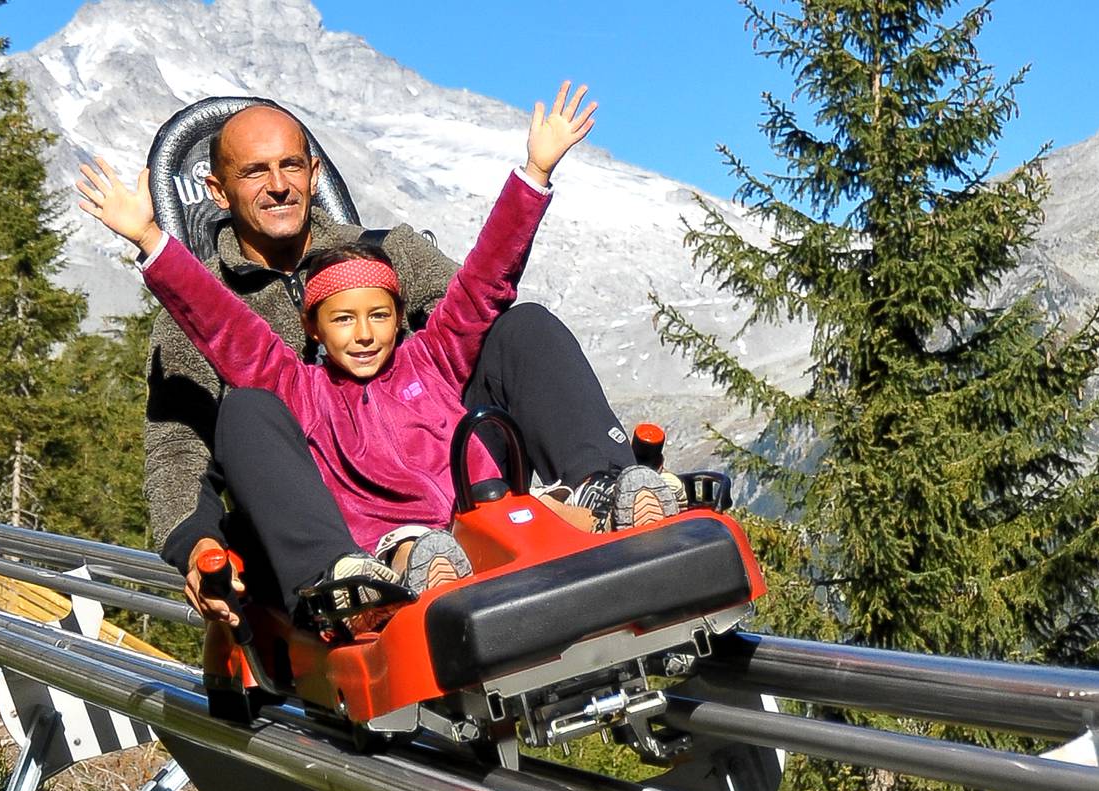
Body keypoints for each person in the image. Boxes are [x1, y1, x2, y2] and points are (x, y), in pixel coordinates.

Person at [112, 87, 677, 626]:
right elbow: (178, 439)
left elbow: (478, 295)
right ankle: (343, 578)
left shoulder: (390, 255)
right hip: (329, 502)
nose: (278, 185)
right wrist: (196, 540)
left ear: (313, 172)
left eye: (290, 166)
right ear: (218, 190)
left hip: (454, 466)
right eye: (256, 171)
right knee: (247, 408)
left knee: (519, 324)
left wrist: (533, 176)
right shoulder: (224, 327)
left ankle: (606, 489)